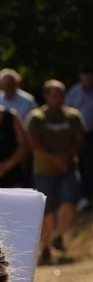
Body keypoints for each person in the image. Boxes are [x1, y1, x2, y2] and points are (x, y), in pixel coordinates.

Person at [26, 79, 85, 265]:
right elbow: (34, 143)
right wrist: (55, 159)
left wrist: (66, 158)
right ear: (45, 96)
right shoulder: (37, 117)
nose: (58, 98)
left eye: (60, 94)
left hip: (68, 169)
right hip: (44, 171)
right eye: (54, 94)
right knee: (47, 211)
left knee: (70, 201)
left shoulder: (73, 116)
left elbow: (80, 140)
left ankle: (59, 236)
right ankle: (46, 247)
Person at [64, 65, 93, 212]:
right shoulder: (74, 92)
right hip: (80, 135)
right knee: (83, 165)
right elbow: (67, 112)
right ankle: (84, 197)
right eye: (84, 78)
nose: (87, 81)